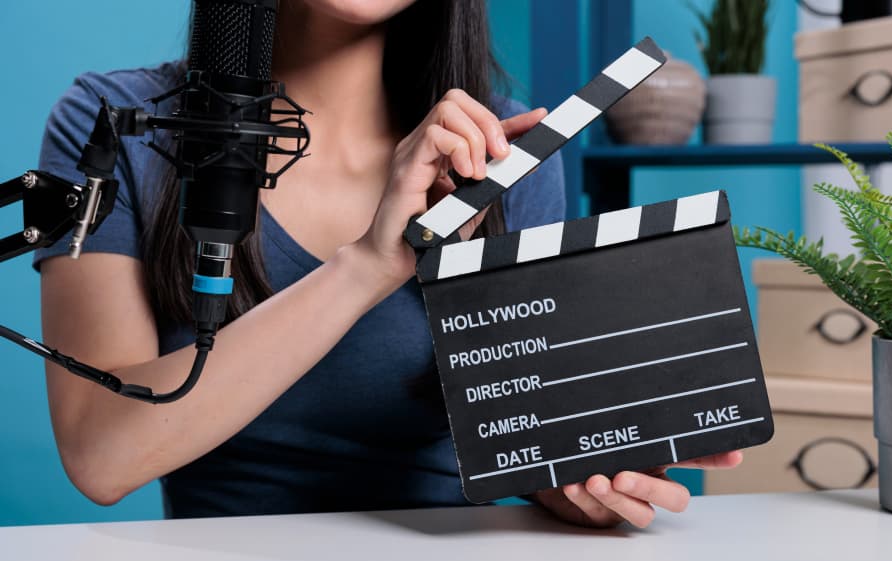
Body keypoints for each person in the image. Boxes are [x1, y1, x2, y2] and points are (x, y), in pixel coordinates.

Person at [34, 0, 742, 528]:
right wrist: (369, 264)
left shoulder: (505, 148)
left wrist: (568, 482)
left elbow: (526, 436)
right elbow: (102, 455)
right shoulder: (125, 121)